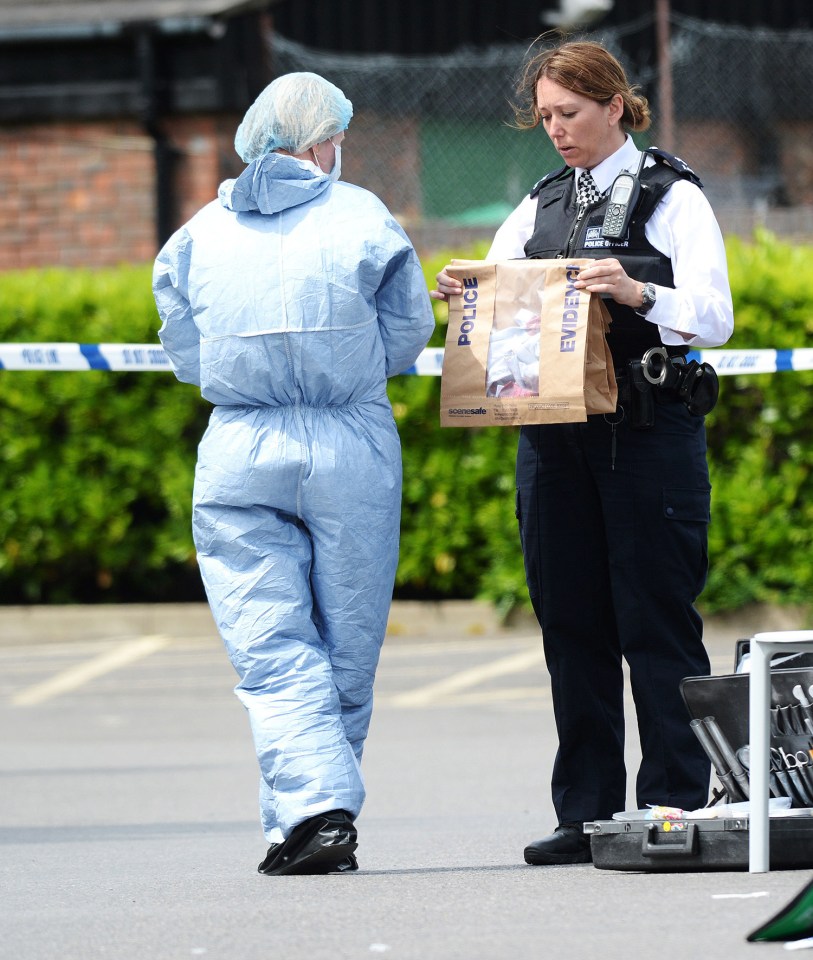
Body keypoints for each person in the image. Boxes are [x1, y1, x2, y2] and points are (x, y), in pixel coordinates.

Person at [432, 39, 733, 865]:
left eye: (568, 114)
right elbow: (494, 285)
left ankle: (672, 806)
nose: (555, 132)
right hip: (554, 436)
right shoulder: (539, 202)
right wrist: (463, 291)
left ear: (612, 105)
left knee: (657, 623)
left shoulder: (673, 195)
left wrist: (636, 289)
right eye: (544, 118)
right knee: (570, 624)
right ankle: (587, 813)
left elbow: (715, 314)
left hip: (647, 431)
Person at [153, 72, 435, 875]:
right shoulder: (363, 216)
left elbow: (183, 342)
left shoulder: (200, 231)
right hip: (350, 439)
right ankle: (321, 813)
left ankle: (307, 816)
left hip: (240, 445)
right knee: (346, 640)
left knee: (270, 645)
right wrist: (343, 378)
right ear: (322, 141)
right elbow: (407, 327)